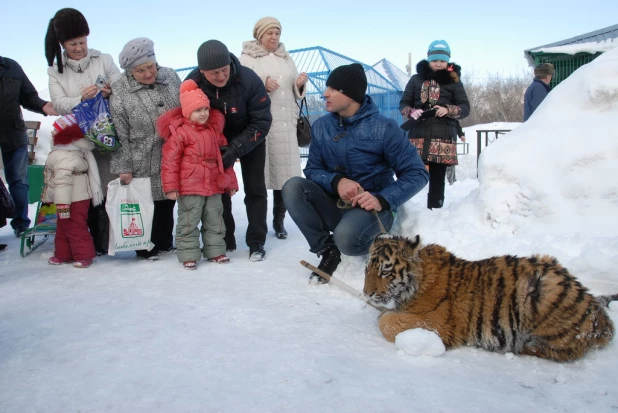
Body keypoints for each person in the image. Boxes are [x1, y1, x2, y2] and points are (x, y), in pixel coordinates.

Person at [281, 63, 429, 283]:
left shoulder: (385, 128)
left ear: (351, 95)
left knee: (347, 239)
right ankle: (326, 249)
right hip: (335, 203)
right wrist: (336, 182)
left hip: (372, 209)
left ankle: (354, 241)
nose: (325, 93)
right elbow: (312, 169)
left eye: (333, 89)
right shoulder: (322, 126)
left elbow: (417, 173)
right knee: (293, 187)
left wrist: (382, 199)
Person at [45, 7, 122, 255]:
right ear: (62, 43)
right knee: (85, 192)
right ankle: (88, 243)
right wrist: (80, 98)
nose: (79, 48)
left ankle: (108, 241)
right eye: (72, 44)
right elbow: (58, 103)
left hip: (107, 133)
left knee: (109, 187)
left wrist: (110, 92)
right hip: (78, 141)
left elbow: (121, 85)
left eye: (82, 42)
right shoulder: (55, 71)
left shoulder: (104, 59)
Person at [186, 40, 272, 261]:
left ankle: (256, 241)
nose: (221, 76)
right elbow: (187, 117)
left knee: (255, 189)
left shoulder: (249, 79)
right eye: (214, 73)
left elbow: (262, 122)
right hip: (215, 140)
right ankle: (225, 238)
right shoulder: (192, 83)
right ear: (202, 71)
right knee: (219, 191)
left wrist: (235, 149)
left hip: (250, 135)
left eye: (224, 70)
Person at [109, 37, 181, 260]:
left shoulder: (170, 76)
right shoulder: (120, 90)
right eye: (140, 70)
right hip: (140, 154)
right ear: (130, 72)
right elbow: (118, 131)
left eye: (150, 67)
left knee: (168, 199)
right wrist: (124, 166)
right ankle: (144, 246)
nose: (148, 73)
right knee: (144, 201)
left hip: (171, 152)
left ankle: (165, 241)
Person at [157, 79, 239, 270]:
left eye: (205, 109)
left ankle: (215, 251)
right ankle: (188, 254)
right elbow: (170, 162)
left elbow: (224, 159)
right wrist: (171, 187)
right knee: (188, 220)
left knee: (215, 219)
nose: (203, 114)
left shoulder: (214, 132)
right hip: (190, 185)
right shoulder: (179, 133)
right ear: (187, 112)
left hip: (213, 185)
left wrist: (230, 183)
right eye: (197, 110)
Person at [239, 17, 308, 240]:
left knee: (285, 177)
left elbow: (294, 88)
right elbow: (241, 86)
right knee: (260, 178)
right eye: (270, 33)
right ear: (259, 34)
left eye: (277, 33)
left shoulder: (286, 57)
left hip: (286, 123)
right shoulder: (247, 57)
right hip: (262, 125)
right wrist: (263, 81)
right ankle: (258, 224)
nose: (274, 37)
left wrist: (299, 84)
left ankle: (279, 221)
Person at [399, 40, 470, 209]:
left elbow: (465, 108)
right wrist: (411, 111)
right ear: (429, 60)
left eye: (442, 61)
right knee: (411, 173)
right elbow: (404, 102)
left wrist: (448, 109)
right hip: (418, 135)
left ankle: (435, 210)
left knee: (438, 177)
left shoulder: (454, 81)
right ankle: (405, 209)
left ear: (448, 62)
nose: (438, 64)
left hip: (443, 136)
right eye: (435, 60)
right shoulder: (416, 79)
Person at [0, 56, 58, 237]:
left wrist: (43, 106)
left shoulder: (11, 67)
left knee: (18, 180)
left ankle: (21, 224)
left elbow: (28, 97)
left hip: (13, 133)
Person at [42, 115, 101, 268]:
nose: (52, 132)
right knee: (63, 225)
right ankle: (63, 254)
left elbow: (62, 182)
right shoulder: (66, 151)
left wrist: (62, 204)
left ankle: (83, 255)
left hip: (72, 198)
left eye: (56, 130)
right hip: (69, 197)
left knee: (75, 226)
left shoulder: (65, 156)